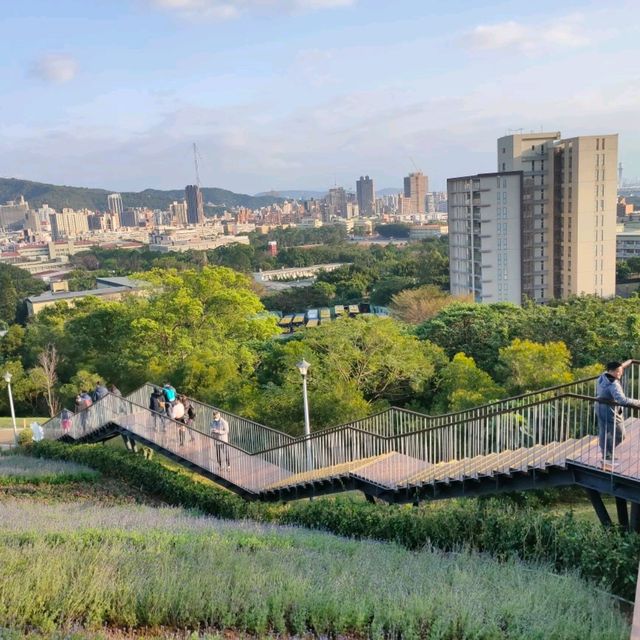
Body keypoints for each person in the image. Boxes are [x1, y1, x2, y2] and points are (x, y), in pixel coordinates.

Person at [596, 362, 640, 466]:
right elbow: (623, 401)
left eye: (621, 371)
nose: (621, 373)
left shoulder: (603, 376)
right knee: (620, 434)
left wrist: (622, 365)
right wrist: (638, 402)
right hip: (610, 411)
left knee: (604, 431)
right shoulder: (613, 384)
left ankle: (606, 454)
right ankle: (607, 454)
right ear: (611, 371)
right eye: (618, 371)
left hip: (599, 406)